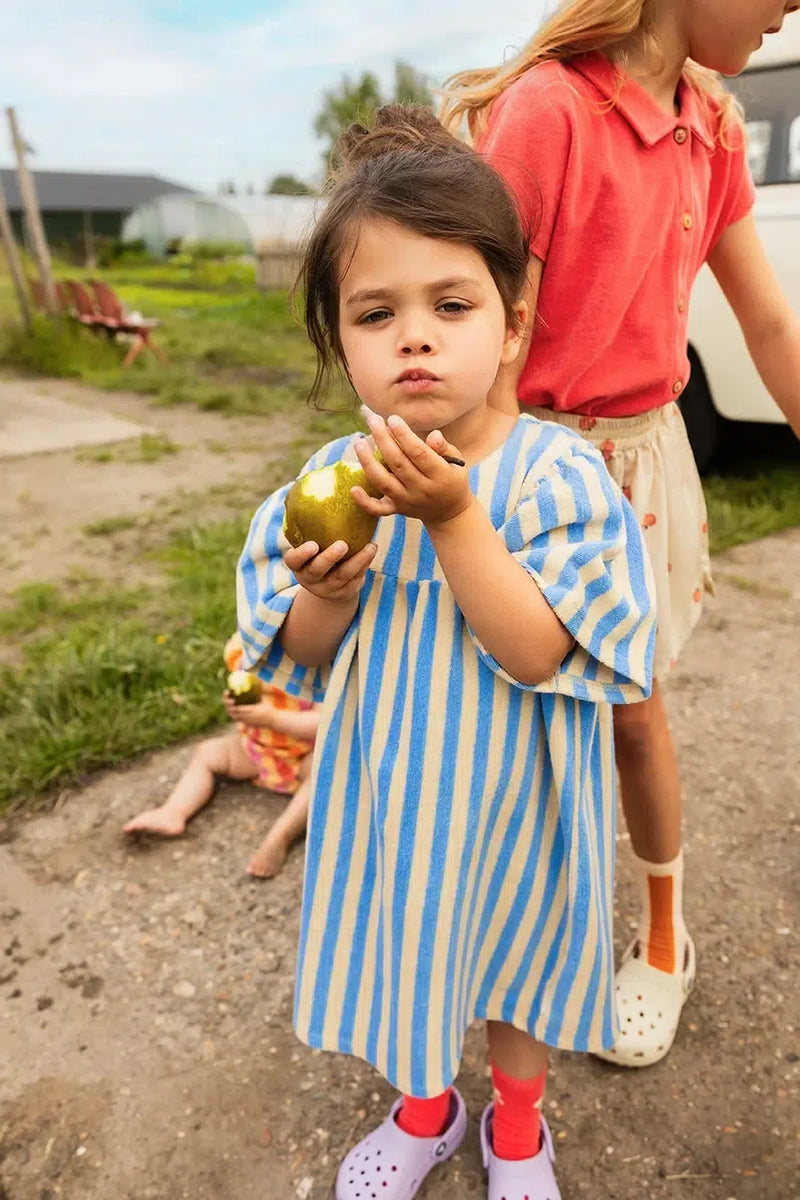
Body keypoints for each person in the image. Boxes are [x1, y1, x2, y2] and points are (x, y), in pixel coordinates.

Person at [236, 105, 656, 1200]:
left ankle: (516, 1131)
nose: (413, 336)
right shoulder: (327, 484)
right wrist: (327, 594)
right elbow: (297, 648)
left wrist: (455, 519)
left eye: (450, 304)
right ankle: (423, 1110)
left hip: (520, 806)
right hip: (395, 801)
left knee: (518, 971)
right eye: (376, 314)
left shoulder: (555, 481)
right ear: (341, 340)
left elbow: (533, 652)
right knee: (406, 959)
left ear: (511, 324)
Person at [440, 0, 800, 1068]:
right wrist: (465, 492)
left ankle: (655, 937)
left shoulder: (715, 127)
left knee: (632, 717)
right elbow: (490, 329)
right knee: (505, 726)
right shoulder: (546, 112)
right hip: (528, 464)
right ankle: (507, 941)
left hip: (640, 465)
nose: (788, 9)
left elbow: (767, 322)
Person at [123, 633, 319, 878]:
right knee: (207, 753)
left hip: (304, 754)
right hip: (257, 750)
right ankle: (173, 811)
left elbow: (325, 721)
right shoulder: (250, 649)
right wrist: (235, 704)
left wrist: (273, 718)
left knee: (324, 774)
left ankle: (280, 837)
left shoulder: (317, 662)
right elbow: (242, 687)